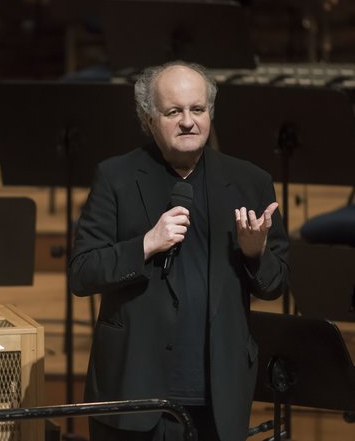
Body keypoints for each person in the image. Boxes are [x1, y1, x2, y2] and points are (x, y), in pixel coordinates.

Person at [69, 61, 289, 441]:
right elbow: (83, 271)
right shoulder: (116, 177)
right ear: (148, 118)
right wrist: (146, 244)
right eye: (174, 112)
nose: (188, 121)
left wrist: (255, 255)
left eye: (197, 109)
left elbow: (275, 284)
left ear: (210, 113)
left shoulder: (250, 182)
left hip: (217, 395)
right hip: (134, 389)